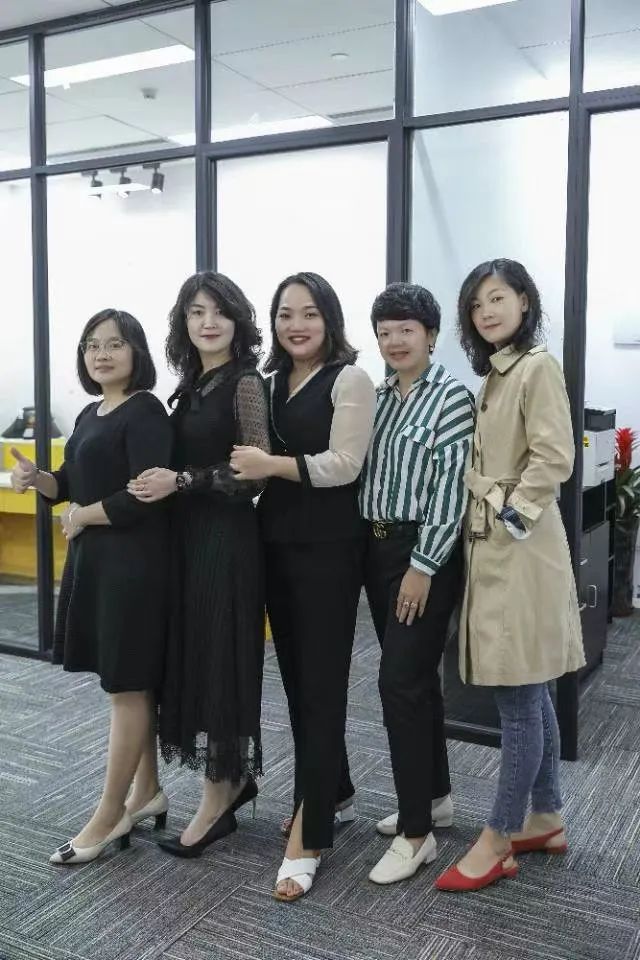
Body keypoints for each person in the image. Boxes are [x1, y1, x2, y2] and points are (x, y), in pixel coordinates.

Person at [435, 259, 585, 893]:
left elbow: (555, 456)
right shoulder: (498, 372)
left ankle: (499, 836)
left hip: (518, 547)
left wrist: (512, 515)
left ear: (525, 301)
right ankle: (545, 815)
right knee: (529, 687)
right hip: (498, 546)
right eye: (476, 305)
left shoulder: (535, 367)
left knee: (516, 697)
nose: (486, 312)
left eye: (497, 298)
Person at [231, 272, 376, 901]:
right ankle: (334, 790)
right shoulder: (268, 384)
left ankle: (310, 834)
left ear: (329, 320)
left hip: (329, 551)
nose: (297, 325)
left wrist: (270, 465)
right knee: (296, 682)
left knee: (322, 686)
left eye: (309, 313)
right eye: (286, 314)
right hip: (275, 546)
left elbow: (345, 465)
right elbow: (248, 466)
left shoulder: (350, 380)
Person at [11, 309, 173, 864]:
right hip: (98, 562)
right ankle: (147, 792)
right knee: (128, 683)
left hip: (134, 565)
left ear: (137, 352)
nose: (102, 354)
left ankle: (110, 814)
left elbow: (145, 496)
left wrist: (82, 515)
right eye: (92, 345)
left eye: (115, 344)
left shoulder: (146, 412)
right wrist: (38, 479)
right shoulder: (90, 412)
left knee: (126, 685)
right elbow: (69, 484)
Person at [127, 272, 269, 858]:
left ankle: (220, 795)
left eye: (218, 311)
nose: (208, 322)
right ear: (183, 324)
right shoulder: (191, 385)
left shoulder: (245, 383)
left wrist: (182, 481)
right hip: (185, 539)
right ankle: (227, 782)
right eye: (195, 312)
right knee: (195, 657)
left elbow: (253, 473)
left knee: (221, 661)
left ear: (237, 320)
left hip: (227, 540)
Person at [359, 282, 475, 885]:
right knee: (417, 681)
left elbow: (451, 493)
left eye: (406, 329)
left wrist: (422, 567)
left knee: (398, 684)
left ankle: (415, 834)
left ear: (430, 334)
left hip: (422, 553)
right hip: (375, 550)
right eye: (384, 332)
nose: (395, 341)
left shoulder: (452, 398)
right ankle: (435, 798)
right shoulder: (378, 398)